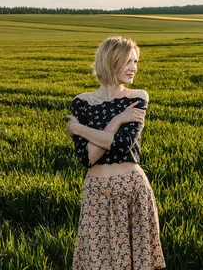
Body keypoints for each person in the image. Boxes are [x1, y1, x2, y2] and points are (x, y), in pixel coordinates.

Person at [66, 36, 166, 269]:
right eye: (128, 61)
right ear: (111, 61)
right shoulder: (81, 102)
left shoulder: (137, 98)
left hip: (132, 190)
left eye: (136, 61)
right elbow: (87, 158)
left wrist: (80, 129)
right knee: (97, 261)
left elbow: (122, 144)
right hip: (97, 194)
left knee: (136, 261)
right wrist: (117, 121)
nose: (134, 68)